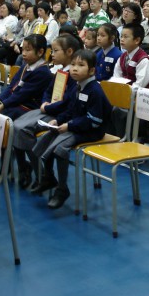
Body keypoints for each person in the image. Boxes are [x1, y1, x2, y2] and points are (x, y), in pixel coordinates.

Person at [30, 49, 112, 209]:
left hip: (92, 131)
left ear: (92, 71)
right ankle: (48, 178)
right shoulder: (77, 86)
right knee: (46, 139)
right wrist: (57, 120)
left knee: (60, 148)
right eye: (73, 64)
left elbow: (94, 120)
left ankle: (62, 190)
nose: (74, 68)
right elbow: (70, 110)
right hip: (77, 126)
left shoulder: (94, 90)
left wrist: (70, 125)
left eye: (80, 65)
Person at [11, 34, 81, 188]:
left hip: (60, 115)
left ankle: (42, 174)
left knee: (23, 129)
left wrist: (48, 107)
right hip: (49, 109)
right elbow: (48, 92)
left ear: (69, 52)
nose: (52, 54)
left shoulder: (75, 75)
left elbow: (67, 102)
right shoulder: (60, 72)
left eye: (55, 51)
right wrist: (44, 103)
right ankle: (31, 170)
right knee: (15, 125)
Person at [0, 34, 53, 120]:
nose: (23, 53)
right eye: (22, 50)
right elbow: (11, 86)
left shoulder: (43, 72)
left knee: (4, 115)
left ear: (40, 52)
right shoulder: (25, 65)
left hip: (28, 108)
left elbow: (22, 95)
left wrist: (2, 106)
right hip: (16, 101)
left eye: (28, 50)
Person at [112, 23, 149, 89]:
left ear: (137, 40)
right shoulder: (122, 57)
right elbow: (116, 79)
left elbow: (139, 86)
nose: (121, 39)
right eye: (121, 36)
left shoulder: (143, 60)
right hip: (122, 93)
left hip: (140, 96)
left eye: (125, 37)